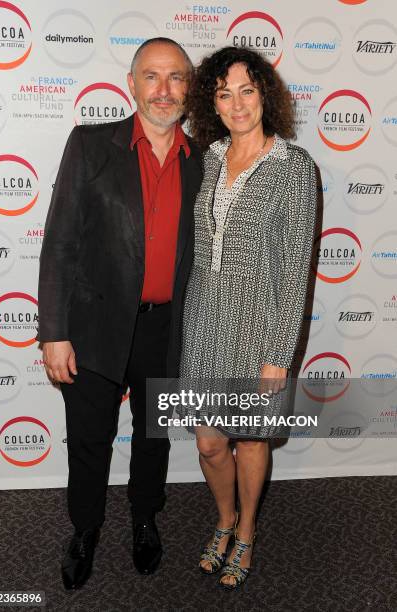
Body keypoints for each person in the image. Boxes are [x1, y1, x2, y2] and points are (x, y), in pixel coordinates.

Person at [37, 37, 202, 589]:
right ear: (131, 84)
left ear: (190, 87)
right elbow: (59, 243)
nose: (163, 90)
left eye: (176, 77)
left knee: (152, 436)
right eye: (152, 77)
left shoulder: (205, 160)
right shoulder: (89, 145)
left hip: (164, 326)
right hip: (93, 324)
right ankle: (84, 530)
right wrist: (54, 333)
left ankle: (145, 521)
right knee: (88, 437)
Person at [180, 46, 317, 589]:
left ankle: (248, 531)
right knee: (211, 442)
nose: (237, 104)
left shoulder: (294, 168)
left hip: (258, 328)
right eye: (223, 93)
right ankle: (224, 518)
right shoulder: (207, 158)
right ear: (211, 102)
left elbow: (295, 270)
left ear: (266, 94)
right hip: (203, 321)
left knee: (251, 439)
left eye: (247, 90)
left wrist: (278, 357)